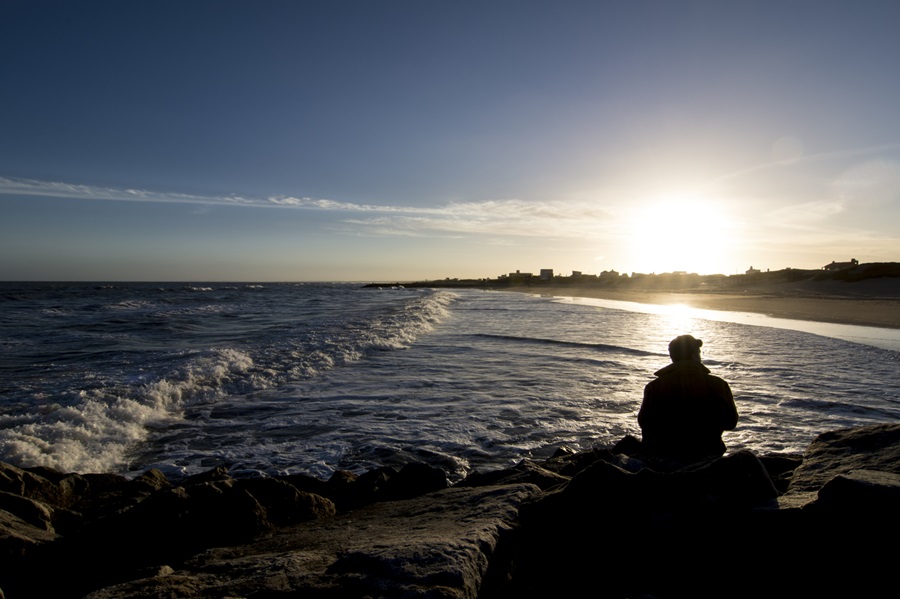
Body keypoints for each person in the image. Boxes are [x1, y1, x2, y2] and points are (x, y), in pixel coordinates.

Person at [638, 335, 738, 461]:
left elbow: (644, 423)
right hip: (708, 459)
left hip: (664, 459)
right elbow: (731, 422)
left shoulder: (654, 387)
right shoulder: (718, 385)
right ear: (694, 355)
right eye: (699, 352)